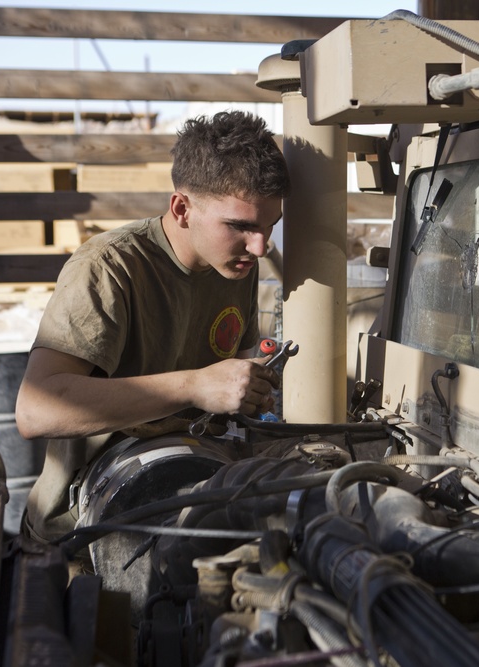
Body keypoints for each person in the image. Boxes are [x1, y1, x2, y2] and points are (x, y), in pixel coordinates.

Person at [15, 110, 288, 542]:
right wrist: (196, 386)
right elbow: (36, 411)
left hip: (196, 480)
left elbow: (227, 382)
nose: (259, 246)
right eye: (240, 226)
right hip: (85, 527)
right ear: (182, 208)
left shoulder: (236, 262)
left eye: (269, 226)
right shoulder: (108, 267)